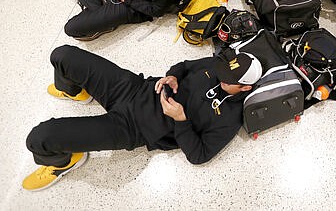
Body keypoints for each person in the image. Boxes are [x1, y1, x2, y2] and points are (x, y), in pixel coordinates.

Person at [22, 45, 263, 191]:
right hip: (134, 88)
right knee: (62, 55)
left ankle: (65, 161)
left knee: (39, 138)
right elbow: (185, 65)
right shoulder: (219, 66)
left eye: (227, 81)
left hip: (133, 128)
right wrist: (172, 76)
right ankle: (76, 91)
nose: (220, 77)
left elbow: (199, 155)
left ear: (244, 89)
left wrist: (180, 120)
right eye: (222, 73)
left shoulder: (230, 118)